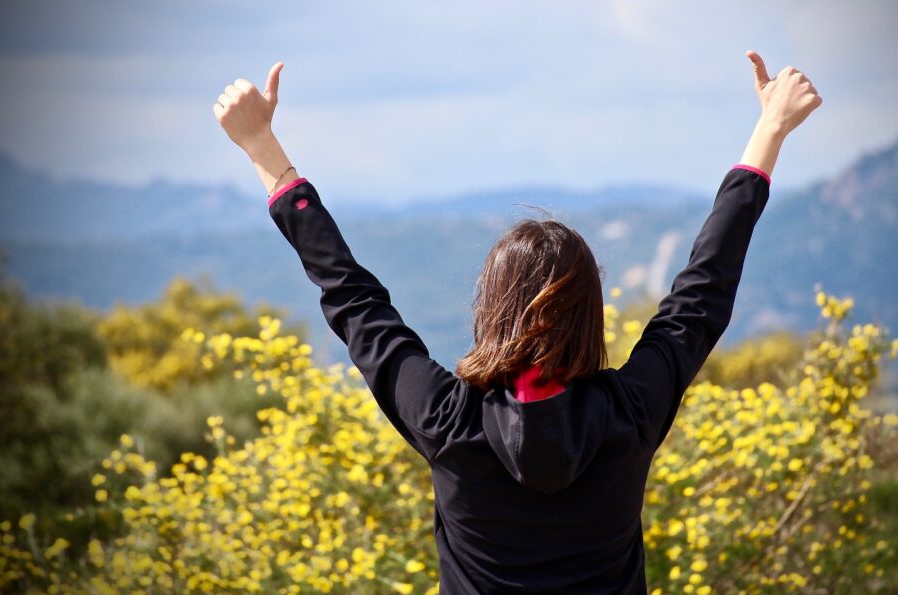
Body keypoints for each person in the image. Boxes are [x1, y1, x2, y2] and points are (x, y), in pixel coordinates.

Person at [212, 50, 821, 593]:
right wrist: (770, 130)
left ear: (490, 307)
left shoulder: (447, 419)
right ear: (591, 313)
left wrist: (262, 146)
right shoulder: (628, 413)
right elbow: (704, 292)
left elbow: (350, 296)